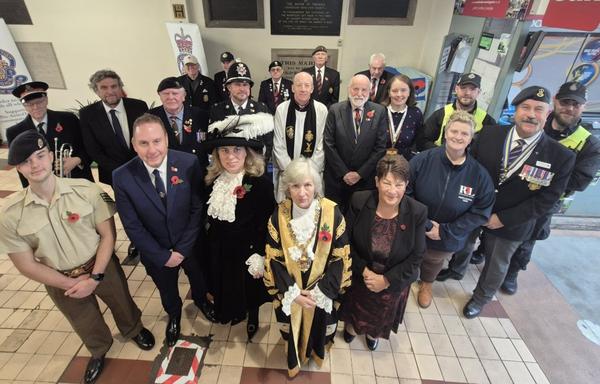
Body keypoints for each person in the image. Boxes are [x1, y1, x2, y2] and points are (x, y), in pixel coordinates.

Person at [0, 131, 154, 384]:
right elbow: (26, 265)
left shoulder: (87, 190)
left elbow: (107, 236)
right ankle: (99, 349)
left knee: (121, 301)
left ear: (51, 156)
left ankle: (133, 330)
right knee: (83, 319)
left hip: (101, 265)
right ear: (17, 167)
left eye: (40, 156)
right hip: (59, 278)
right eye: (27, 161)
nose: (35, 164)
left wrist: (95, 277)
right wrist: (71, 284)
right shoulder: (10, 215)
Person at [462, 86, 575, 319]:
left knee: (496, 264)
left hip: (512, 222)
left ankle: (481, 298)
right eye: (525, 107)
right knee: (463, 245)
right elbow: (470, 169)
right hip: (475, 209)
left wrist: (502, 219)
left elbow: (547, 200)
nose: (531, 114)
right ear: (515, 111)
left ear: (548, 113)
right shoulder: (490, 135)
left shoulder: (560, 157)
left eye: (538, 109)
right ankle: (454, 271)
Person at [112, 114, 216, 348]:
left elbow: (197, 207)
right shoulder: (122, 176)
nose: (152, 150)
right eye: (144, 143)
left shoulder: (188, 163)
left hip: (190, 244)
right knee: (167, 289)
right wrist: (163, 255)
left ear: (166, 139)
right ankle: (175, 315)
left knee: (198, 277)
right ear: (133, 144)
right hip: (156, 251)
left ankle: (201, 301)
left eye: (157, 141)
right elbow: (132, 225)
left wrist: (182, 249)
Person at [500, 81, 600, 294]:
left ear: (584, 107)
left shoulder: (588, 143)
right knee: (499, 224)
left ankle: (512, 272)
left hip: (545, 202)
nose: (569, 108)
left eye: (576, 104)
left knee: (527, 238)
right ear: (555, 101)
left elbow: (579, 181)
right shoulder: (535, 123)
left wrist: (546, 182)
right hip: (513, 191)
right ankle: (483, 251)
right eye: (565, 102)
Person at [263, 157, 351, 376]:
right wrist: (293, 293)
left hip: (320, 290)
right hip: (292, 289)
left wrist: (320, 292)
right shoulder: (278, 216)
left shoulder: (333, 213)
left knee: (319, 324)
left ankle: (315, 351)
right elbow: (274, 259)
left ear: (316, 186)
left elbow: (340, 257)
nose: (302, 192)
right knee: (291, 324)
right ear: (287, 188)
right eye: (295, 186)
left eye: (307, 185)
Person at [407, 111, 495, 308]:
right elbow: (405, 191)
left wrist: (447, 230)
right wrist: (427, 223)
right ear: (446, 133)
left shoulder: (479, 174)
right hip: (416, 224)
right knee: (408, 254)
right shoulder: (423, 160)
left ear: (471, 138)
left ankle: (427, 284)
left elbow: (481, 211)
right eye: (454, 131)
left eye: (464, 134)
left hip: (448, 234)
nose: (458, 136)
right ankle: (405, 282)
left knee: (433, 260)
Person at [340, 154, 426, 351]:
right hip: (361, 275)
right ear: (377, 181)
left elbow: (417, 256)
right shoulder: (359, 200)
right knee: (355, 311)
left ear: (406, 185)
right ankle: (352, 328)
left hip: (393, 280)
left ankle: (373, 334)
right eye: (387, 183)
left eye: (399, 184)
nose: (393, 191)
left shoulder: (417, 212)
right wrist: (363, 271)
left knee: (380, 316)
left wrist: (386, 280)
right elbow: (345, 241)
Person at [202, 111, 276, 340]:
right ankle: (233, 311)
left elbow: (268, 223)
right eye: (224, 150)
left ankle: (252, 315)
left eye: (237, 150)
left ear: (248, 153)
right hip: (220, 250)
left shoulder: (260, 184)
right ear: (217, 154)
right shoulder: (211, 181)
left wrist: (261, 255)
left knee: (249, 289)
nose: (230, 156)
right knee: (226, 285)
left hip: (247, 251)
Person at [7, 81, 93, 186]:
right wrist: (29, 191)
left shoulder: (69, 119)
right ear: (23, 105)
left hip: (77, 181)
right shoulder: (14, 132)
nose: (35, 107)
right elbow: (21, 168)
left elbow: (89, 146)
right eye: (29, 104)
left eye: (39, 102)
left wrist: (77, 160)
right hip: (43, 187)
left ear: (46, 100)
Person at [323, 74, 387, 212]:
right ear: (348, 89)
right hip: (337, 179)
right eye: (355, 89)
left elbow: (380, 147)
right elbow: (328, 143)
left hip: (364, 181)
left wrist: (359, 174)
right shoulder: (335, 110)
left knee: (359, 221)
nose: (359, 93)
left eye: (364, 90)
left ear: (370, 91)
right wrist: (344, 173)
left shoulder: (380, 111)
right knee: (333, 219)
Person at [80, 69, 148, 186]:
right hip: (114, 174)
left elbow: (148, 137)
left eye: (114, 86)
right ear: (96, 91)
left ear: (120, 87)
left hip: (145, 169)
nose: (110, 91)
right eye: (104, 88)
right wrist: (121, 171)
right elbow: (93, 150)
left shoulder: (139, 106)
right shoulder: (87, 114)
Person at [272, 71, 328, 202]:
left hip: (312, 175)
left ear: (312, 88)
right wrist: (292, 173)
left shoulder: (321, 110)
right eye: (299, 85)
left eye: (307, 85)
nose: (303, 89)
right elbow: (278, 144)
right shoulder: (282, 109)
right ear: (292, 88)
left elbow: (322, 144)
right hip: (287, 173)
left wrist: (309, 172)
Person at [210, 61, 272, 163]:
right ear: (229, 87)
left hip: (254, 168)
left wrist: (260, 164)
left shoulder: (261, 109)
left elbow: (268, 143)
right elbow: (214, 144)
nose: (242, 89)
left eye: (245, 84)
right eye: (238, 84)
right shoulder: (217, 110)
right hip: (228, 166)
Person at [417, 72, 495, 151]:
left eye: (472, 89)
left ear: (478, 92)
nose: (467, 93)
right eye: (463, 87)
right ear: (456, 89)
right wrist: (442, 154)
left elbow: (489, 151)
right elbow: (422, 141)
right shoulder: (441, 114)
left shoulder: (487, 122)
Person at [149, 77, 209, 167]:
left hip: (198, 172)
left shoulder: (200, 115)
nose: (170, 97)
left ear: (184, 96)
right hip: (168, 173)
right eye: (166, 93)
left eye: (175, 93)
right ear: (160, 96)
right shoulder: (151, 118)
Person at [380, 74, 424, 160]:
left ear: (409, 92)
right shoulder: (379, 111)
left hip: (405, 163)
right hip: (378, 162)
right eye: (395, 91)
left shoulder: (416, 113)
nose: (399, 94)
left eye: (403, 90)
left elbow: (418, 141)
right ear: (389, 92)